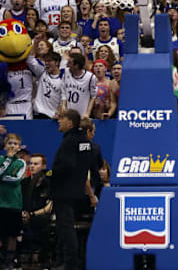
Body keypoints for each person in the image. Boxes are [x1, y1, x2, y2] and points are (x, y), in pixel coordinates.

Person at [49, 109, 98, 270]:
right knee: (67, 228)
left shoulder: (70, 140)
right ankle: (67, 262)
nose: (58, 121)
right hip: (77, 192)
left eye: (61, 119)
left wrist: (50, 173)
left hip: (64, 191)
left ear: (70, 123)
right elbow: (92, 168)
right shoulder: (86, 143)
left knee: (66, 229)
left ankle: (69, 264)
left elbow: (67, 165)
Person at [0, 133, 26, 270]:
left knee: (11, 235)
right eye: (10, 143)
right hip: (0, 203)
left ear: (19, 147)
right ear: (5, 146)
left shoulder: (21, 162)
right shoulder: (0, 159)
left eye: (15, 144)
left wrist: (3, 178)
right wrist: (8, 160)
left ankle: (9, 262)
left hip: (14, 204)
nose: (12, 146)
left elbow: (16, 180)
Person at [21, 153, 52, 267]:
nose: (32, 166)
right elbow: (20, 202)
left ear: (43, 166)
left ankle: (39, 257)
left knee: (41, 221)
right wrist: (23, 213)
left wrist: (32, 214)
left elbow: (49, 207)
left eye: (36, 164)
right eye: (31, 163)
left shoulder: (49, 183)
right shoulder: (24, 183)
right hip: (25, 216)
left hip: (41, 217)